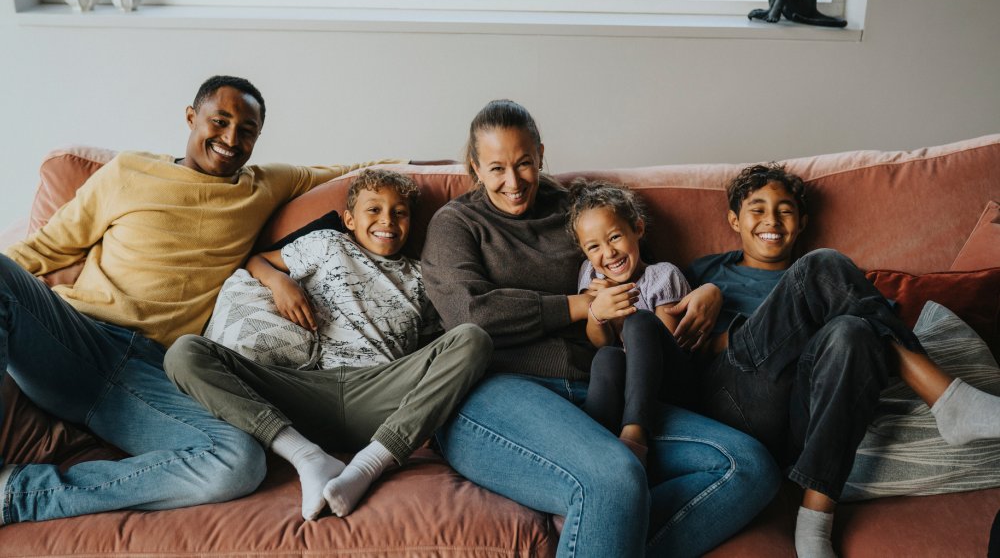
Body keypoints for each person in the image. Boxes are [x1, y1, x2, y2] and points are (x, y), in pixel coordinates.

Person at [0, 75, 389, 524]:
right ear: (191, 117)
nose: (230, 138)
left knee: (238, 462)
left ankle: (21, 496)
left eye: (246, 131)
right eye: (219, 122)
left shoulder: (264, 185)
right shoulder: (128, 172)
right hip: (76, 336)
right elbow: (42, 249)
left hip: (154, 373)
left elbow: (358, 171)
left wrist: (454, 168)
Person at [420, 99, 781, 558]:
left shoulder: (576, 205)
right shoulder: (457, 223)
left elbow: (644, 269)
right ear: (474, 166)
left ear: (541, 154)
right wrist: (577, 305)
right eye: (496, 168)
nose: (513, 183)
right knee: (615, 477)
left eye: (525, 163)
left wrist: (710, 289)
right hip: (495, 391)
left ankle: (594, 539)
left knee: (748, 466)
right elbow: (470, 314)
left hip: (601, 388)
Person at [686, 162, 1000, 558]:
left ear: (801, 222)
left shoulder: (840, 284)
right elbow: (680, 349)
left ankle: (814, 522)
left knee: (856, 330)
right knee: (821, 265)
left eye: (784, 210)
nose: (772, 219)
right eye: (757, 208)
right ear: (734, 219)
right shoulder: (707, 272)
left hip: (804, 421)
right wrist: (712, 293)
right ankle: (951, 401)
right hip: (737, 403)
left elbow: (875, 347)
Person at [165, 168, 492, 521]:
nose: (387, 220)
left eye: (400, 212)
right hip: (307, 391)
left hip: (382, 395)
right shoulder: (326, 243)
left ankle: (370, 464)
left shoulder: (420, 277)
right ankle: (307, 456)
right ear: (349, 219)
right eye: (374, 210)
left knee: (473, 338)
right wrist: (280, 283)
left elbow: (436, 346)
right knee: (185, 352)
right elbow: (257, 260)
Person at [566, 178, 697, 465]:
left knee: (640, 324)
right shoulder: (591, 276)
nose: (608, 253)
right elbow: (599, 341)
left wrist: (630, 318)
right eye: (594, 247)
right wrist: (597, 312)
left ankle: (635, 434)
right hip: (624, 383)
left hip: (671, 380)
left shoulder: (663, 275)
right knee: (607, 357)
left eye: (614, 237)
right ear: (585, 253)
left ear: (637, 229)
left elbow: (668, 342)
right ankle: (592, 452)